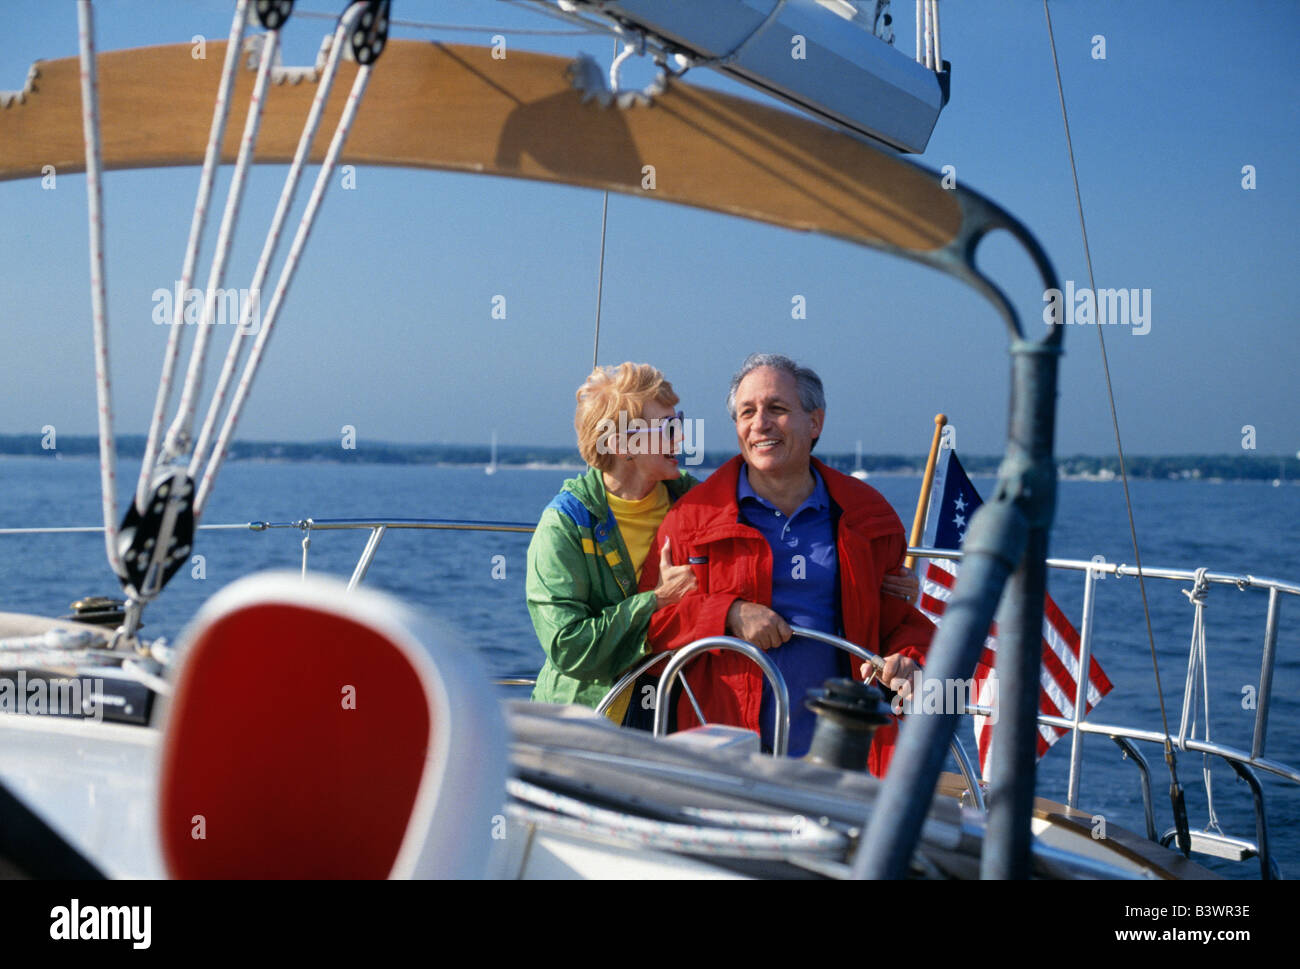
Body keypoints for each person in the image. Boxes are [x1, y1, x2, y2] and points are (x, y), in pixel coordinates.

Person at [637, 353, 935, 773]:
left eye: (776, 408)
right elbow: (652, 631)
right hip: (724, 756)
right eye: (747, 412)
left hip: (843, 760)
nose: (760, 423)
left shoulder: (870, 517)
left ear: (815, 423)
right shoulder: (690, 520)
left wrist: (907, 655)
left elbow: (899, 623)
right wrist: (728, 614)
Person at [527, 363, 698, 725]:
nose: (680, 438)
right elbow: (568, 647)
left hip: (672, 709)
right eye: (668, 428)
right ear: (623, 445)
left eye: (678, 423)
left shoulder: (693, 501)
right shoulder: (566, 524)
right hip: (584, 720)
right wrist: (657, 600)